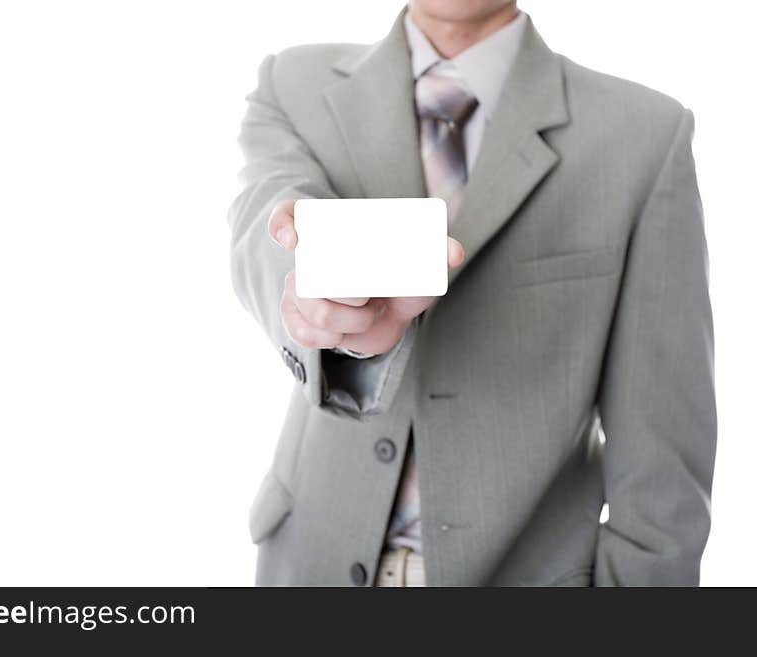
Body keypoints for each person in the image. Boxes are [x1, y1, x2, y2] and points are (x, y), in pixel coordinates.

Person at [228, 0, 716, 586]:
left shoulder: (644, 137)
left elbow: (664, 459)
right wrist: (319, 299)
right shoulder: (292, 83)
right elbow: (266, 218)